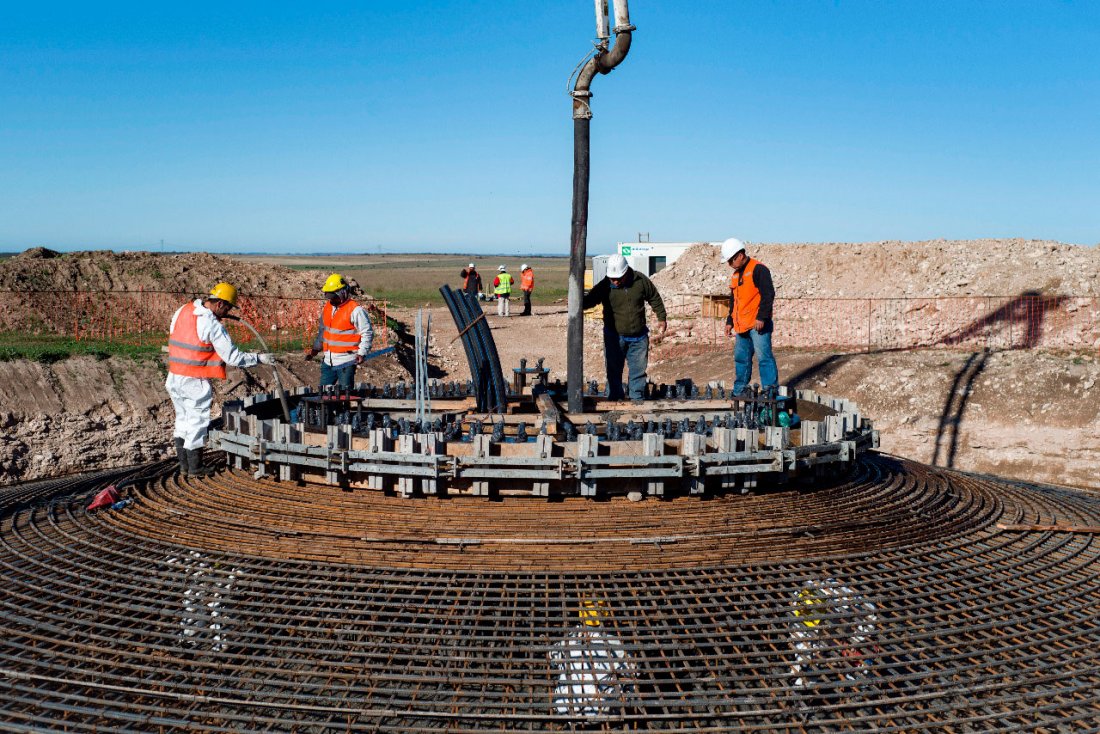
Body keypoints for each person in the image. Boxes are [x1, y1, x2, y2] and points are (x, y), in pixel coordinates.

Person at [166, 282, 275, 476]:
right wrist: (259, 358)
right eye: (228, 307)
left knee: (182, 420)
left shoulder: (183, 310)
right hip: (194, 380)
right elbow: (233, 357)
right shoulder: (211, 324)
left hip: (174, 376)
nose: (228, 312)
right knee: (196, 423)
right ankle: (195, 468)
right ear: (220, 304)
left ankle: (184, 465)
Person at [582, 253, 667, 403]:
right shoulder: (605, 286)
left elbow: (654, 297)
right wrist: (576, 301)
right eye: (612, 278)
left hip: (638, 338)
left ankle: (637, 400)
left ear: (626, 272)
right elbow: (590, 300)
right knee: (614, 370)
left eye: (617, 278)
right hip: (614, 337)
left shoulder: (640, 281)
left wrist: (662, 317)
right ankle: (615, 400)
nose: (614, 281)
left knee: (638, 372)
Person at [721, 237, 777, 397]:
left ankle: (770, 391)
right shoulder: (735, 275)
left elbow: (768, 295)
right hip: (741, 326)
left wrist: (762, 317)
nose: (729, 264)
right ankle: (740, 390)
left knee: (764, 358)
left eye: (730, 260)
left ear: (739, 255)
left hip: (758, 325)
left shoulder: (759, 269)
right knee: (741, 359)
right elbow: (734, 301)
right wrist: (729, 321)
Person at [304, 273, 374, 392]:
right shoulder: (328, 308)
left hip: (346, 362)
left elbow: (367, 333)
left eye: (334, 296)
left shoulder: (355, 310)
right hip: (328, 361)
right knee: (323, 394)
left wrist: (362, 353)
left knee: (345, 394)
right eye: (329, 297)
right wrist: (316, 348)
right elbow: (323, 331)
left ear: (343, 293)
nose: (331, 300)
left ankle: (345, 410)